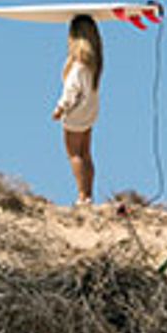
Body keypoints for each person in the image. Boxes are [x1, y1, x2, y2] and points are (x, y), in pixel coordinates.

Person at [51, 14, 103, 206]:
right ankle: (88, 194)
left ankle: (83, 196)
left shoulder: (79, 66)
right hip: (90, 109)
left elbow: (71, 91)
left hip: (77, 111)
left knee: (75, 154)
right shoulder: (93, 63)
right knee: (86, 153)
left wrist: (59, 109)